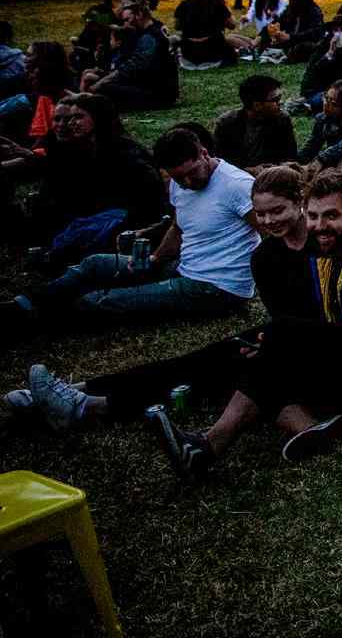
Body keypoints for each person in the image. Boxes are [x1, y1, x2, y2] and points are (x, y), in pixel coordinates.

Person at [147, 169, 342, 477]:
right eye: (314, 216)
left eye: (331, 215)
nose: (320, 226)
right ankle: (308, 429)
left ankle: (210, 444)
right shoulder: (328, 247)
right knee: (262, 357)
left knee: (280, 338)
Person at [9, 165, 317, 433]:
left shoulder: (323, 243)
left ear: (300, 202)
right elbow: (280, 312)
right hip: (283, 334)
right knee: (196, 359)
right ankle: (75, 391)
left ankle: (90, 406)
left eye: (277, 211)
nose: (268, 221)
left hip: (311, 339)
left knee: (215, 370)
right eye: (261, 214)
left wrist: (277, 340)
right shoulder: (265, 256)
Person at [3, 127, 258, 332]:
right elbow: (179, 228)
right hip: (185, 269)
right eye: (179, 177)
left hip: (217, 288)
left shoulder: (237, 186)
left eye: (192, 173)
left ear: (204, 153)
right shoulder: (180, 185)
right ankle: (21, 306)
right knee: (94, 264)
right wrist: (155, 259)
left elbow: (271, 234)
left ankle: (27, 326)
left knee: (100, 300)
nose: (188, 183)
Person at [0, 92, 167, 262]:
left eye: (78, 117)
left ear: (98, 118)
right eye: (70, 118)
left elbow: (143, 198)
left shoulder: (124, 152)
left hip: (124, 219)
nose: (71, 123)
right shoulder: (86, 147)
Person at [211, 74, 299, 169]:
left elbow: (290, 156)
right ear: (257, 105)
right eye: (275, 100)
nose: (280, 103)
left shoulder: (281, 120)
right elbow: (221, 161)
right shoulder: (227, 123)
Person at [174, 0, 248, 64]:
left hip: (189, 51)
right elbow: (232, 25)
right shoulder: (218, 5)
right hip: (213, 50)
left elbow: (177, 26)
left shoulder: (184, 4)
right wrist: (226, 6)